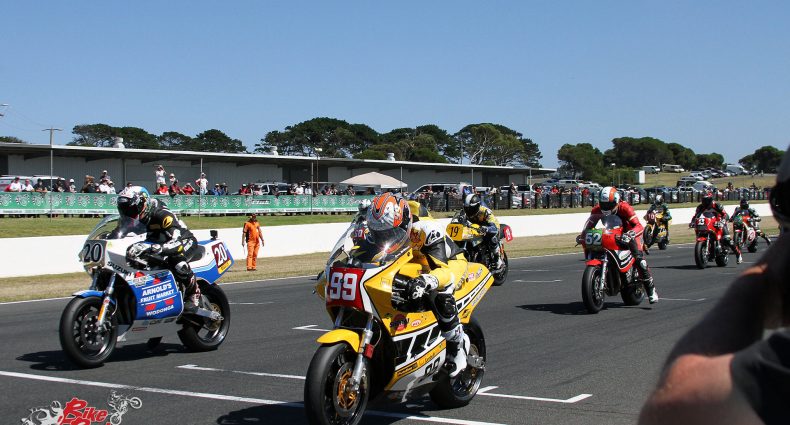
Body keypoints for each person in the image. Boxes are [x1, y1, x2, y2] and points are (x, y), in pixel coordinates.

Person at [639, 161, 790, 424]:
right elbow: (697, 217)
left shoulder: (722, 208)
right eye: (706, 200)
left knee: (726, 237)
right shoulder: (699, 208)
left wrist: (757, 283)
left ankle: (738, 252)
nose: (708, 202)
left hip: (717, 229)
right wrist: (696, 221)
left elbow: (676, 403)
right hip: (703, 230)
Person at [366, 193, 470, 377]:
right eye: (379, 233)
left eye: (390, 233)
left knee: (440, 293)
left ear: (404, 224)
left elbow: (443, 271)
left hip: (447, 263)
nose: (384, 237)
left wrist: (427, 280)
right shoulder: (380, 225)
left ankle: (457, 348)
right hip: (410, 261)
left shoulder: (426, 230)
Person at [117, 186, 202, 310]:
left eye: (131, 209)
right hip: (155, 244)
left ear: (143, 203)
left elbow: (176, 240)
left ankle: (194, 293)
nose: (128, 213)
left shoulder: (161, 214)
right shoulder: (129, 219)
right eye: (124, 210)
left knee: (177, 261)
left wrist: (159, 248)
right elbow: (116, 234)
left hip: (182, 240)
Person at [579, 186, 658, 303]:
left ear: (616, 201)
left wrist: (630, 233)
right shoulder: (596, 210)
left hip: (629, 234)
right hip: (611, 234)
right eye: (603, 204)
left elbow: (638, 226)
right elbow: (590, 226)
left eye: (609, 204)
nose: (605, 208)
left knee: (639, 260)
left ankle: (651, 289)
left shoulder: (625, 208)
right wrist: (583, 235)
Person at [690, 190, 743, 264]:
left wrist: (722, 221)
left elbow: (725, 215)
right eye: (703, 200)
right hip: (708, 224)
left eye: (707, 200)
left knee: (727, 239)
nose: (705, 202)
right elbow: (696, 216)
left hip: (719, 223)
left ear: (711, 199)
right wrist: (692, 222)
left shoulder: (717, 206)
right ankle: (709, 252)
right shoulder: (700, 207)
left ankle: (738, 254)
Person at [462, 193, 504, 270]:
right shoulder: (465, 212)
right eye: (466, 208)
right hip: (475, 227)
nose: (468, 211)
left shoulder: (486, 211)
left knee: (492, 238)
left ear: (476, 206)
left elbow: (494, 227)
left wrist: (487, 228)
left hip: (490, 226)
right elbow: (459, 219)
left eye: (471, 209)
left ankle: (497, 259)